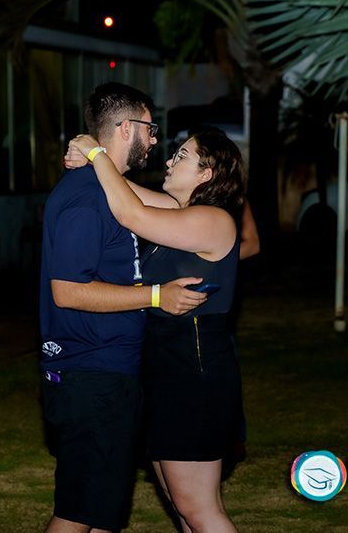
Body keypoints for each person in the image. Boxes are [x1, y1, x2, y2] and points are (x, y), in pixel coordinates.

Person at [40, 82, 206, 533]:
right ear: (126, 128)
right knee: (77, 515)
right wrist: (155, 295)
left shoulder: (109, 190)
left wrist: (93, 154)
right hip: (89, 373)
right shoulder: (86, 198)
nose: (155, 140)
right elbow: (67, 291)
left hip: (109, 372)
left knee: (102, 514)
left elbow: (176, 205)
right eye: (150, 129)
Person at [68, 124, 246, 532]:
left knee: (198, 507)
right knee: (183, 508)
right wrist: (92, 165)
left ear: (206, 174)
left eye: (182, 156)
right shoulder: (179, 212)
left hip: (195, 371)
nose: (168, 160)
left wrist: (96, 154)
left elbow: (130, 213)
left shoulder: (214, 220)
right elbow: (124, 195)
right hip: (166, 367)